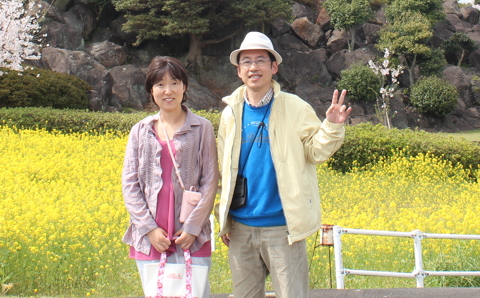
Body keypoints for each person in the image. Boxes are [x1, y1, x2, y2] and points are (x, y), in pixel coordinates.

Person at [217, 31, 352, 298]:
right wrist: (224, 219)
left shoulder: (295, 107)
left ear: (274, 67)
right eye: (246, 62)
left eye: (260, 60)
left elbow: (315, 151)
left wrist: (333, 127)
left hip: (283, 228)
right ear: (238, 71)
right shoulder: (230, 112)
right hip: (241, 229)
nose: (253, 67)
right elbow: (224, 169)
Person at [122, 57, 219, 298]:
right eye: (160, 85)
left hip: (190, 234)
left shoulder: (202, 127)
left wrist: (193, 228)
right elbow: (130, 184)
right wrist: (149, 229)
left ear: (184, 87)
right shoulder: (140, 130)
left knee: (195, 293)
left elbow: (210, 181)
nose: (168, 91)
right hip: (152, 235)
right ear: (151, 91)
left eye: (174, 83)